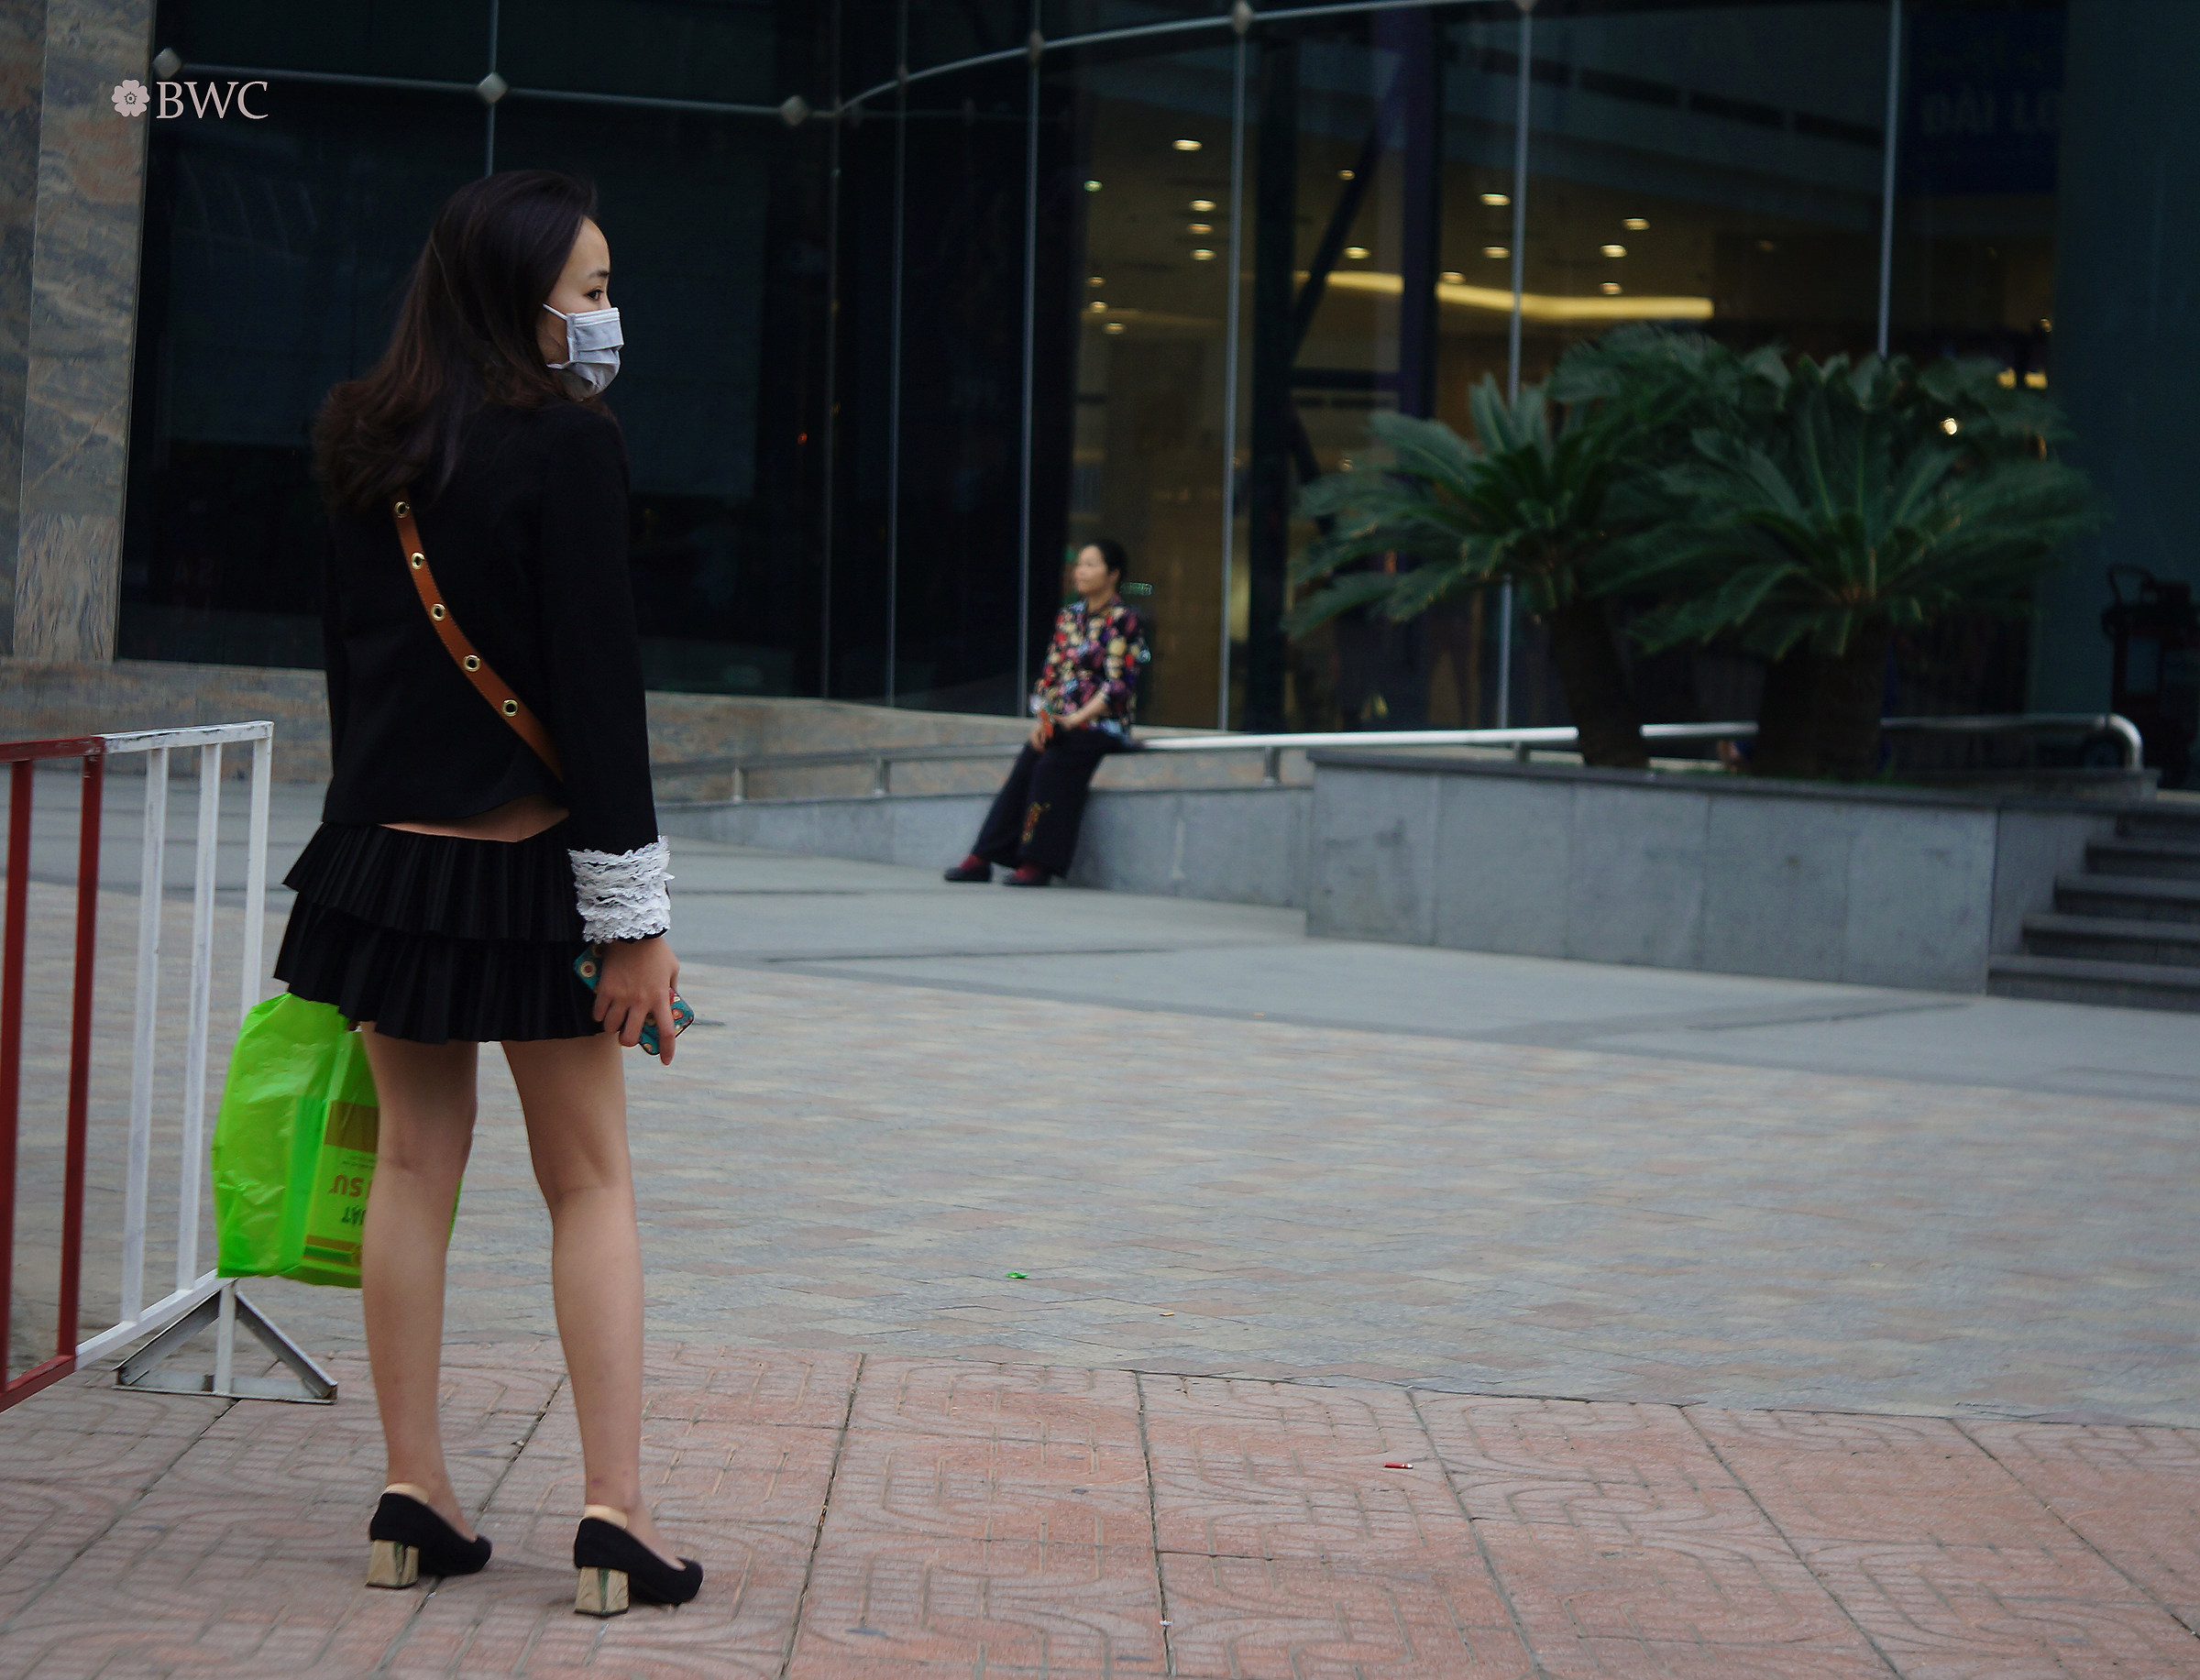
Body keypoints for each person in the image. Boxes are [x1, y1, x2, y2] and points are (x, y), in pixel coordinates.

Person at [280, 169, 701, 1617]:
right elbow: (600, 690)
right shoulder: (567, 448)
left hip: (386, 863)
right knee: (588, 1179)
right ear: (521, 302)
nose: (604, 317)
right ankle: (615, 1516)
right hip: (532, 872)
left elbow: (351, 676)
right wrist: (634, 917)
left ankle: (414, 1492)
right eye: (589, 292)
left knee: (412, 1167)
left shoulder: (360, 437)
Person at [946, 541, 1150, 886]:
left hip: (1102, 724)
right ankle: (983, 856)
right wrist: (1045, 722)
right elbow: (1050, 677)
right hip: (1063, 723)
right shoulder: (1069, 616)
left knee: (1052, 766)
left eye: (1089, 565)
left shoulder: (1124, 619)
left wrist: (1074, 719)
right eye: (1078, 565)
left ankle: (1037, 862)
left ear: (1113, 574)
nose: (1079, 571)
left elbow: (1118, 685)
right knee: (1029, 760)